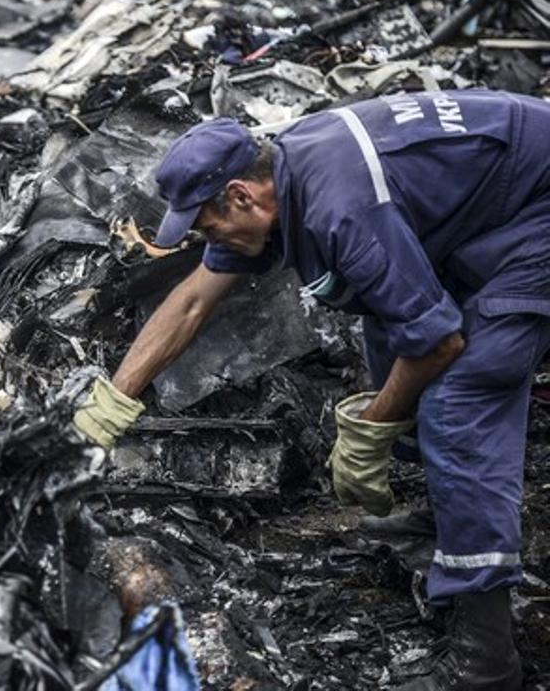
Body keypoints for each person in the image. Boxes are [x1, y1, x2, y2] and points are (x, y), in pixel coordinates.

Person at [71, 90, 550, 690]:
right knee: (388, 338)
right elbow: (192, 301)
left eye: (206, 223)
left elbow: (438, 344)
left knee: (462, 398)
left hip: (539, 210)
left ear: (241, 196)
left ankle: (486, 661)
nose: (204, 238)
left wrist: (369, 434)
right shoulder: (282, 170)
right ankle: (450, 517)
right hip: (495, 197)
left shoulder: (341, 209)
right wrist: (110, 405)